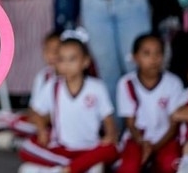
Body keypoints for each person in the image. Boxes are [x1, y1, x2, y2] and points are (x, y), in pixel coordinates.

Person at [18, 33, 119, 173]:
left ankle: (69, 169)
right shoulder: (53, 86)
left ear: (85, 61)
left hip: (90, 148)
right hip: (62, 148)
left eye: (72, 59)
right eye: (61, 60)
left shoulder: (96, 87)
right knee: (27, 148)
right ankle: (81, 166)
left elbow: (107, 117)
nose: (66, 65)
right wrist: (42, 131)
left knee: (112, 149)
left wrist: (110, 134)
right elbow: (36, 112)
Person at [116, 33, 184, 173]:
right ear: (135, 57)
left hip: (165, 137)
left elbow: (173, 124)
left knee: (171, 166)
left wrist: (155, 147)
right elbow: (130, 123)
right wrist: (142, 143)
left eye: (158, 53)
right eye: (147, 53)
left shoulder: (173, 83)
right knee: (128, 168)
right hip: (137, 138)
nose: (154, 59)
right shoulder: (126, 83)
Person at [0, 30, 62, 151]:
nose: (52, 55)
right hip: (40, 121)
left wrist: (43, 121)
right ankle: (31, 141)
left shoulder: (65, 79)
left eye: (56, 51)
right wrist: (38, 120)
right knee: (11, 121)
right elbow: (34, 107)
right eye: (47, 50)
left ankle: (28, 144)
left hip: (56, 122)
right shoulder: (43, 76)